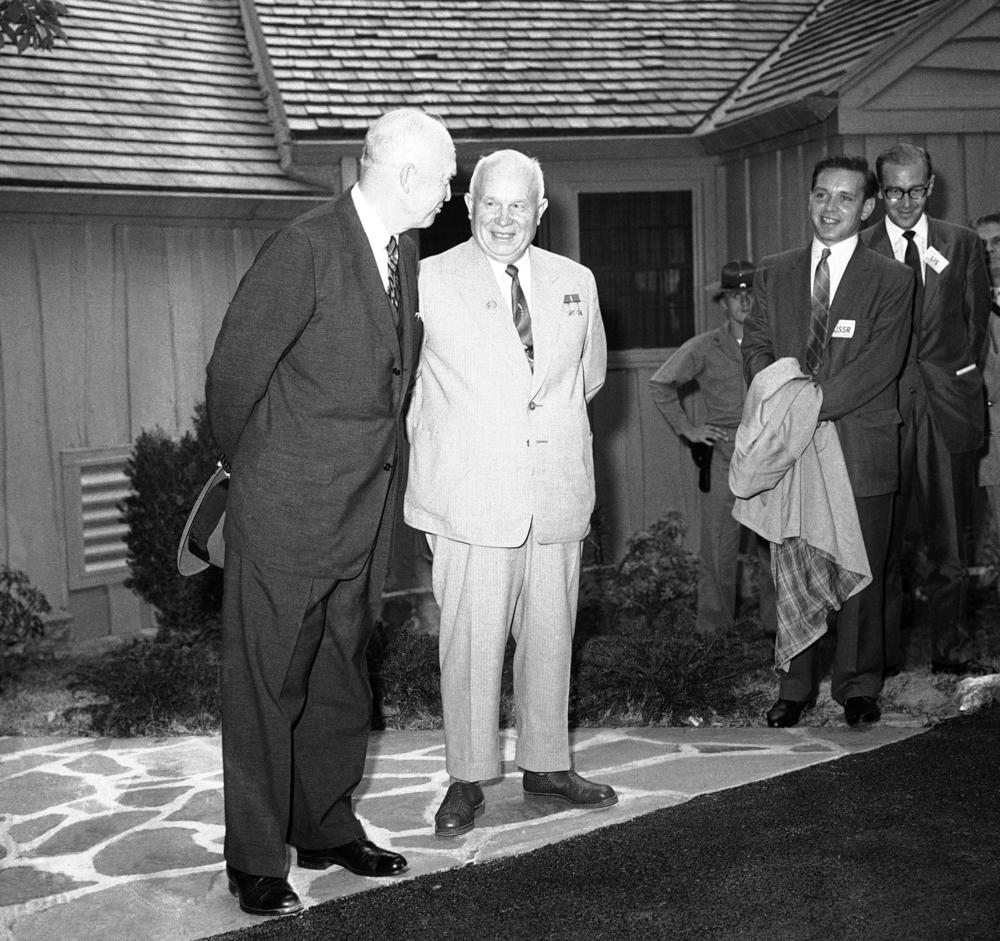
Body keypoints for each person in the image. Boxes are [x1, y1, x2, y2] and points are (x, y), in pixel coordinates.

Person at [205, 109, 456, 916]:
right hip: (285, 515)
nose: (451, 193)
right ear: (407, 176)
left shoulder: (403, 252)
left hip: (363, 514)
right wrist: (267, 481)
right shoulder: (306, 247)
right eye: (447, 178)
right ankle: (254, 856)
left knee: (340, 677)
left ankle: (324, 825)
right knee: (265, 685)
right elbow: (231, 380)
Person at [404, 149, 616, 838]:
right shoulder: (424, 282)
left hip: (554, 493)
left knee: (552, 637)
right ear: (467, 206)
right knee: (470, 645)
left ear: (541, 210)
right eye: (489, 203)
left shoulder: (574, 281)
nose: (503, 218)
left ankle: (548, 764)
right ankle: (466, 777)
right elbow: (402, 392)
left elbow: (586, 379)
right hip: (470, 497)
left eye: (518, 206)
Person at [742, 154, 913, 728]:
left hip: (857, 442)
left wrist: (809, 407)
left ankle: (858, 687)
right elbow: (757, 348)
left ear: (867, 208)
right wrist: (787, 404)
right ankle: (794, 687)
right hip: (791, 447)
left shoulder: (891, 278)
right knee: (794, 560)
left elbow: (880, 365)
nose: (830, 208)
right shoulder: (775, 270)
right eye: (821, 195)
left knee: (861, 568)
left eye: (844, 198)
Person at [861, 144, 992, 676]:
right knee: (881, 543)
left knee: (950, 540)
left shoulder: (961, 244)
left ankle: (951, 649)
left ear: (931, 186)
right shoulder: (860, 247)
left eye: (916, 190)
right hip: (882, 413)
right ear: (879, 192)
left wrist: (951, 378)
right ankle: (880, 660)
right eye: (894, 191)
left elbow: (975, 325)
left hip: (945, 408)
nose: (906, 201)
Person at [649, 260, 775, 637]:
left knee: (772, 546)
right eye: (736, 296)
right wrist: (689, 429)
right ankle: (715, 635)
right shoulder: (706, 346)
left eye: (751, 294)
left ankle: (779, 630)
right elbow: (661, 385)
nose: (744, 302)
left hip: (769, 454)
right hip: (724, 454)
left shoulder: (775, 342)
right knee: (719, 547)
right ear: (723, 302)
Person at [971, 212, 1000, 551]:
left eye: (998, 243)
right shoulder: (965, 306)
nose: (991, 253)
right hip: (991, 447)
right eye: (982, 246)